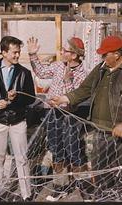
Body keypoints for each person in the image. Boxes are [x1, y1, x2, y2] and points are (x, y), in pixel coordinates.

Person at [49, 36, 122, 201]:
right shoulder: (101, 69)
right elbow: (84, 90)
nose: (102, 58)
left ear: (117, 54)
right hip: (100, 130)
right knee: (101, 172)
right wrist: (64, 98)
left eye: (105, 54)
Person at [27, 36, 90, 201]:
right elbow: (40, 72)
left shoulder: (83, 74)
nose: (61, 52)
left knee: (74, 151)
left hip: (70, 116)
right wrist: (33, 54)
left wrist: (68, 81)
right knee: (56, 150)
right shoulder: (58, 66)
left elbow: (75, 98)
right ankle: (60, 187)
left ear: (74, 55)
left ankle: (84, 188)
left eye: (65, 51)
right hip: (53, 114)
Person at [0, 36, 36, 202]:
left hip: (18, 121)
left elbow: (31, 98)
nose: (17, 55)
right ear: (4, 52)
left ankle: (27, 194)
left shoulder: (25, 73)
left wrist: (15, 98)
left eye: (19, 52)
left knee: (22, 158)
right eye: (14, 52)